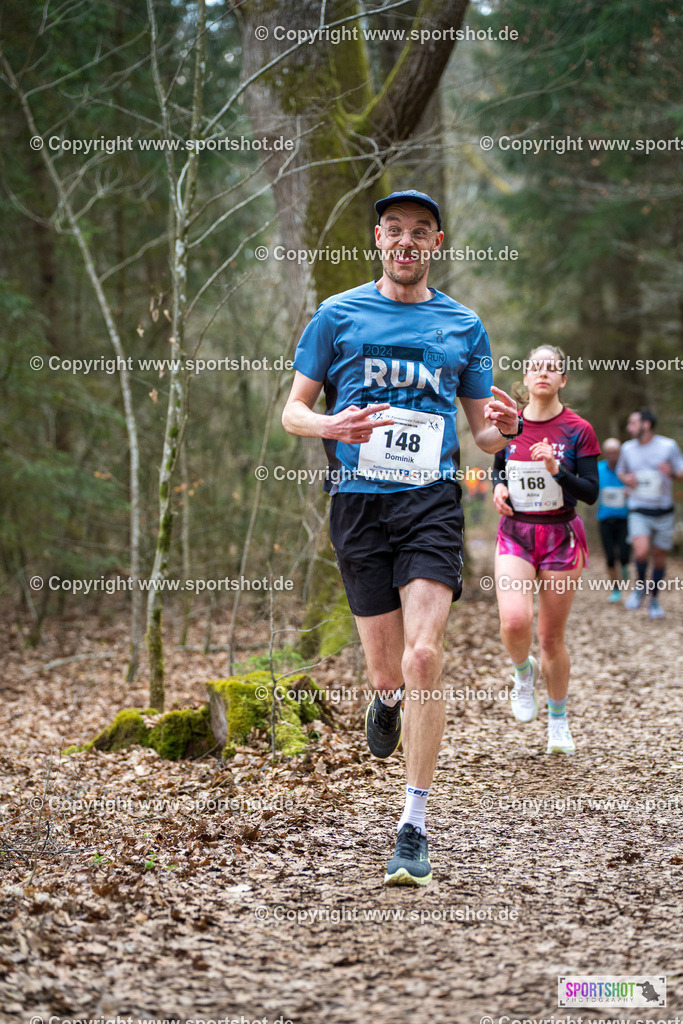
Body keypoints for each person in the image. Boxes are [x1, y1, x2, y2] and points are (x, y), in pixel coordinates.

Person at [282, 189, 520, 887]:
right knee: (388, 675)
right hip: (357, 507)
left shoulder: (462, 325)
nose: (406, 242)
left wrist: (502, 430)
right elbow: (292, 413)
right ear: (378, 241)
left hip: (431, 503)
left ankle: (412, 826)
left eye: (420, 231)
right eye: (394, 230)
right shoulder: (337, 316)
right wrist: (332, 426)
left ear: (436, 244)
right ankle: (381, 701)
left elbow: (480, 431)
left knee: (423, 658)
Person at [492, 346, 600, 755]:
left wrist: (559, 472)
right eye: (536, 366)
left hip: (560, 535)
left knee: (550, 637)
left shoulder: (578, 429)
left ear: (562, 379)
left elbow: (590, 493)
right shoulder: (511, 423)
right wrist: (499, 485)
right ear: (526, 375)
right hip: (516, 533)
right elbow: (499, 464)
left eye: (552, 368)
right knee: (515, 622)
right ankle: (523, 673)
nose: (543, 373)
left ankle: (558, 720)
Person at [617, 407, 683, 618]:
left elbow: (681, 473)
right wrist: (626, 479)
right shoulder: (627, 448)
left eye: (633, 423)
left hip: (664, 510)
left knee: (660, 558)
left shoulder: (668, 446)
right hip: (638, 509)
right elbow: (620, 471)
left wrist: (671, 473)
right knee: (642, 551)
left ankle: (654, 598)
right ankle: (639, 588)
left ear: (646, 425)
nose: (629, 428)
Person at [597, 438, 630, 602]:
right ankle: (616, 589)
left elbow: (637, 487)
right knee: (610, 557)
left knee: (624, 555)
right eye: (609, 452)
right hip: (605, 520)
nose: (612, 456)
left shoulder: (626, 470)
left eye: (615, 452)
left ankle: (625, 570)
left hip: (625, 519)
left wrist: (630, 491)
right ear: (604, 453)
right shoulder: (599, 469)